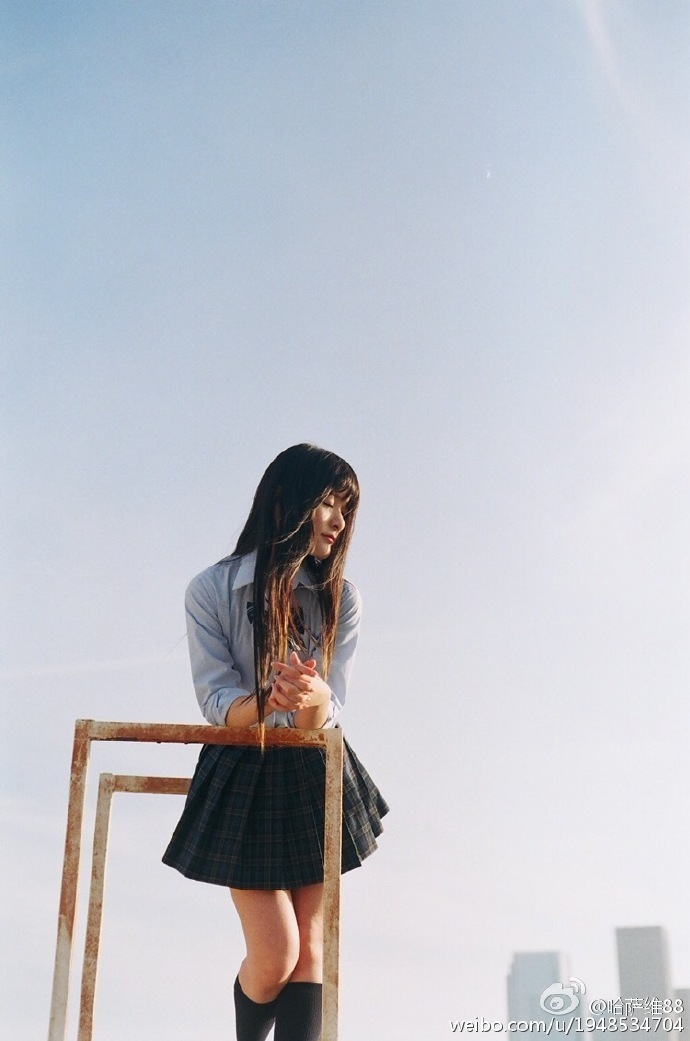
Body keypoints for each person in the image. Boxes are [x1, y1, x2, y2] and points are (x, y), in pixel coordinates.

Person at [163, 443, 389, 1041]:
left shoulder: (343, 598)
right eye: (329, 502)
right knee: (275, 955)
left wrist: (308, 694)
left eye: (347, 508)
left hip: (314, 762)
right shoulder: (210, 589)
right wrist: (270, 699)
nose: (340, 522)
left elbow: (329, 710)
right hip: (244, 764)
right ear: (288, 500)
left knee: (311, 950)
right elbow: (216, 703)